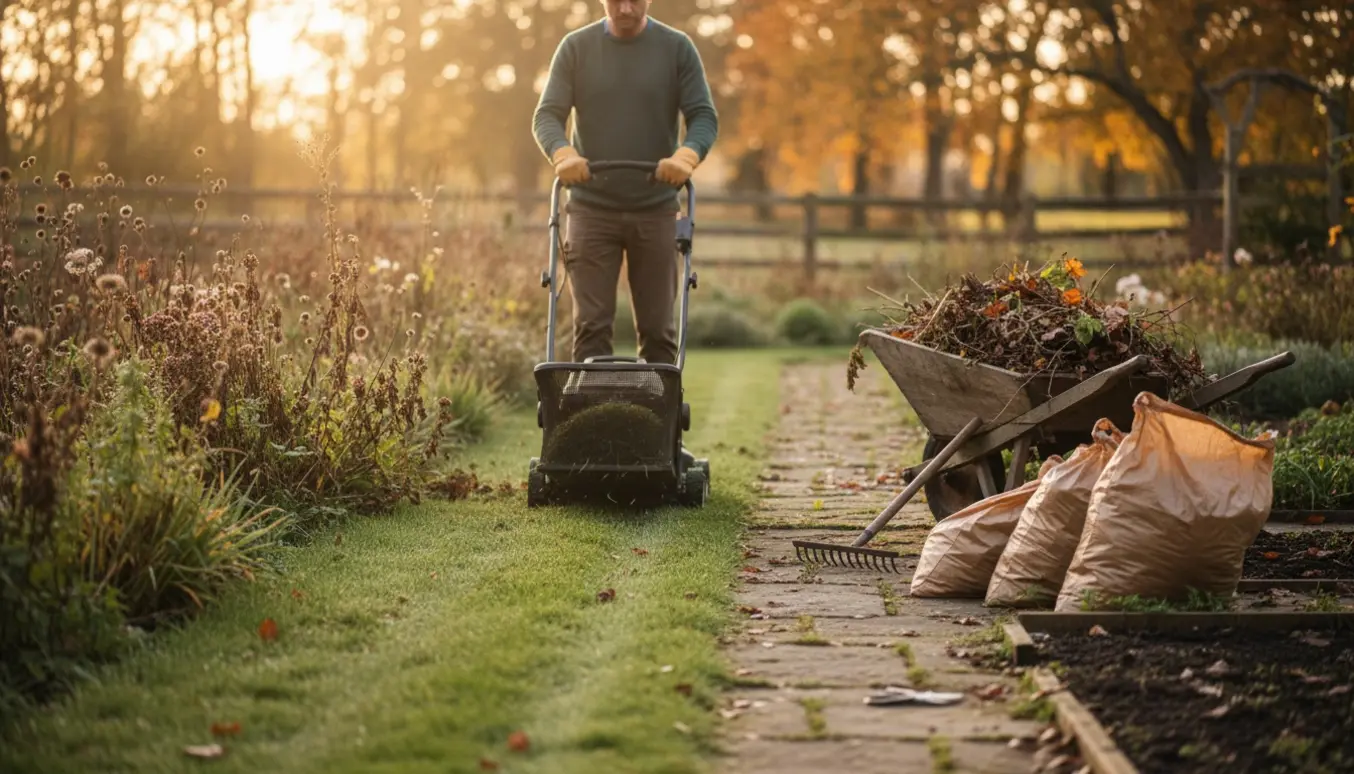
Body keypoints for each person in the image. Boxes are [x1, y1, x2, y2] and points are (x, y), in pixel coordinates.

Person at [531, 0, 719, 366]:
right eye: (617, 1)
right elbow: (547, 115)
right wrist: (563, 154)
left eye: (636, 0)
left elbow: (703, 116)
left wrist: (686, 156)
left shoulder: (677, 48)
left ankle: (655, 420)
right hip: (591, 208)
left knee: (658, 329)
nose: (627, 9)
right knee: (591, 327)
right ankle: (590, 419)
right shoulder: (576, 47)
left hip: (657, 209)